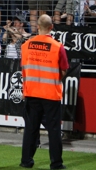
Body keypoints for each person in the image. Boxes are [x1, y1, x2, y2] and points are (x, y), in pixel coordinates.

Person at [20, 14, 69, 170]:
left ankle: (26, 161)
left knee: (30, 129)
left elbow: (24, 69)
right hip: (50, 94)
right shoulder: (57, 47)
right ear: (51, 28)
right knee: (54, 130)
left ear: (37, 27)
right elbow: (63, 71)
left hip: (32, 92)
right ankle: (56, 163)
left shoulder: (26, 45)